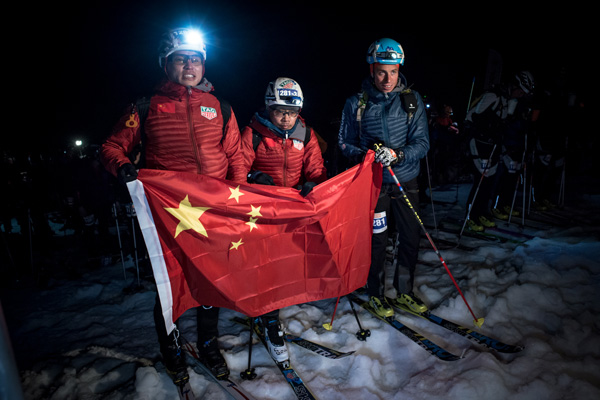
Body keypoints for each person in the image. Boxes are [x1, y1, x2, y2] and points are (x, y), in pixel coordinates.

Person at [100, 27, 246, 385]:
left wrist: (239, 195)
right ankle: (171, 350)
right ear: (166, 64)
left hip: (213, 212)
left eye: (196, 59)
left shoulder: (220, 106)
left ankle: (208, 344)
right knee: (171, 286)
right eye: (181, 59)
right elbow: (110, 147)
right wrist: (124, 169)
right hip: (168, 215)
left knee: (211, 282)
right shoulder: (146, 106)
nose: (190, 65)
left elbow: (237, 157)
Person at [338, 38, 430, 318]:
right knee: (376, 242)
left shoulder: (411, 101)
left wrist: (398, 155)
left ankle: (404, 292)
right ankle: (375, 293)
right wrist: (368, 155)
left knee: (410, 238)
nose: (387, 78)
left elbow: (422, 143)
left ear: (399, 68)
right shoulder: (356, 103)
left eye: (393, 71)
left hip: (406, 182)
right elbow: (344, 143)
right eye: (381, 71)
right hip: (374, 185)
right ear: (371, 70)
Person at [241, 77, 327, 365]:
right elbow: (238, 168)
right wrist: (253, 177)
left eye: (292, 111)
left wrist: (312, 183)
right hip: (260, 210)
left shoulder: (305, 133)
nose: (287, 118)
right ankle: (267, 317)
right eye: (280, 111)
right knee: (263, 265)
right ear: (268, 108)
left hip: (290, 209)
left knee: (283, 264)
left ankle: (271, 310)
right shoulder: (253, 132)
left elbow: (315, 167)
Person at [463, 71, 534, 231]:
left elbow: (502, 122)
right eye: (520, 91)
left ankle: (481, 212)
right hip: (480, 143)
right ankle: (471, 216)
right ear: (514, 85)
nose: (520, 95)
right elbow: (473, 117)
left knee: (489, 181)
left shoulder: (507, 99)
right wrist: (492, 125)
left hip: (492, 145)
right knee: (481, 181)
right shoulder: (493, 95)